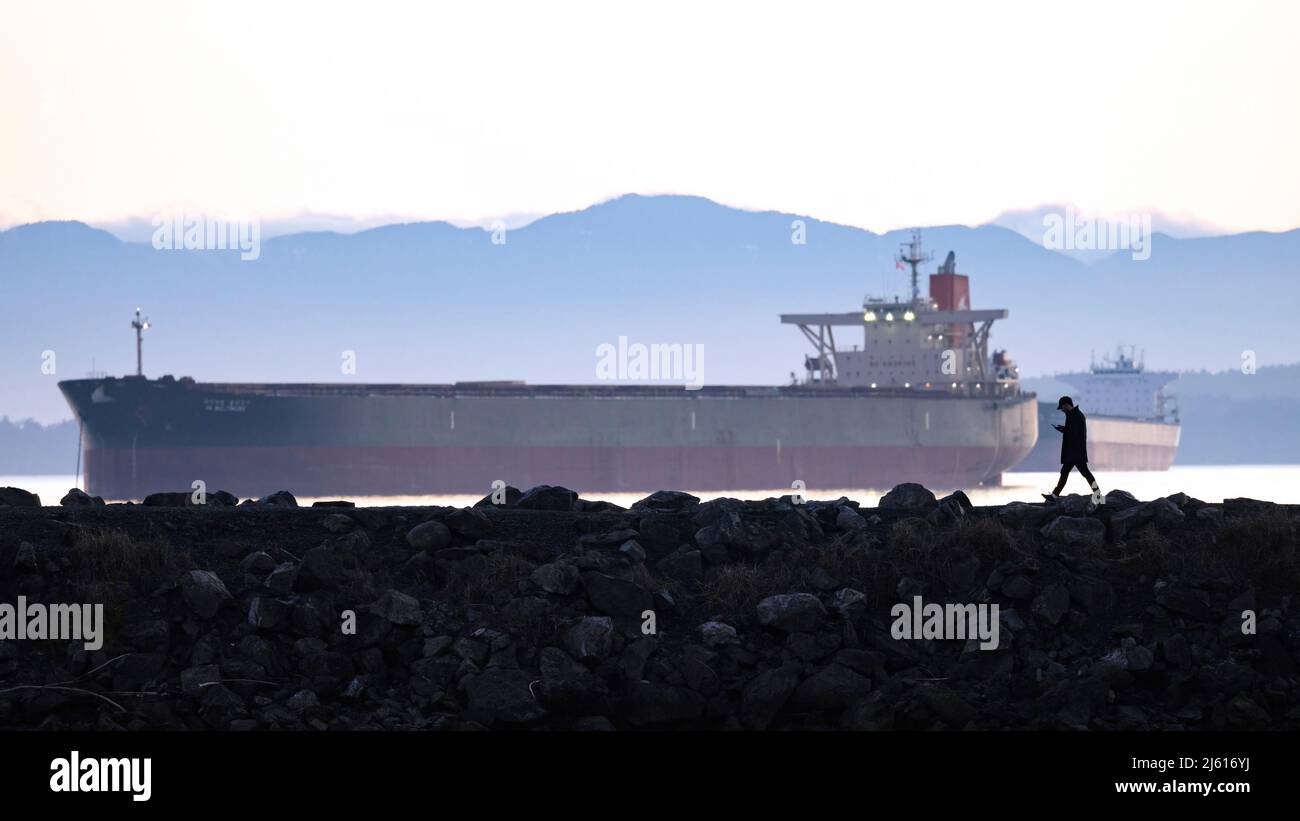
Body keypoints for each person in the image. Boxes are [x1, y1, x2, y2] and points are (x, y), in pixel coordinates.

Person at [1043, 395, 1101, 504]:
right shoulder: (1075, 415)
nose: (1062, 410)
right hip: (1075, 452)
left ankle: (1055, 495)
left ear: (1066, 405)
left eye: (1062, 407)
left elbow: (1073, 434)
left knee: (1082, 473)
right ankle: (1097, 495)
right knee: (1081, 473)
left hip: (1075, 452)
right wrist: (1064, 429)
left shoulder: (1075, 416)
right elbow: (1073, 432)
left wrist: (1064, 430)